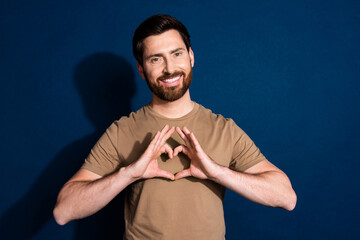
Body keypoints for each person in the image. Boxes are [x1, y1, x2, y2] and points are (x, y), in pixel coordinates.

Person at [53, 14, 297, 239]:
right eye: (156, 59)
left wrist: (217, 172)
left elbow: (286, 197)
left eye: (177, 54)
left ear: (191, 56)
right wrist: (129, 173)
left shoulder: (224, 129)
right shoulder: (122, 131)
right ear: (141, 69)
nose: (169, 68)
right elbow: (63, 211)